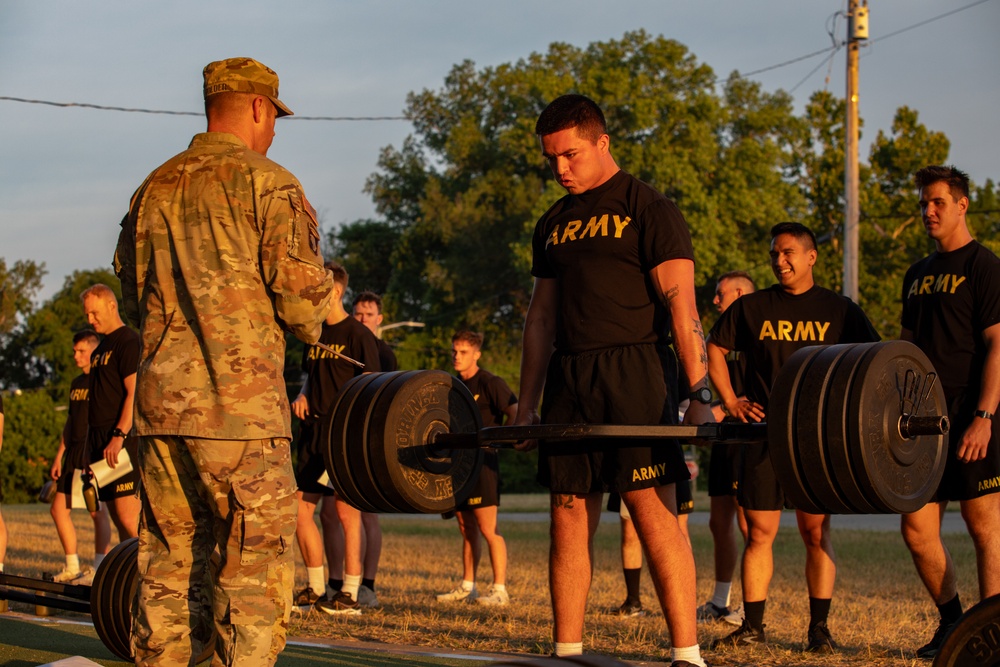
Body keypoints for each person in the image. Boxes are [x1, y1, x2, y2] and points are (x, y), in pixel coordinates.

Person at [114, 57, 334, 666]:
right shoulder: (270, 184)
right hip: (241, 420)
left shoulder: (152, 187)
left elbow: (132, 302)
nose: (272, 133)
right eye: (273, 119)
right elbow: (303, 310)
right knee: (251, 586)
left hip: (161, 417)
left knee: (167, 572)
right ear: (259, 108)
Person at [513, 94, 713, 667]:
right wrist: (526, 405)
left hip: (635, 370)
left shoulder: (649, 208)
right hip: (569, 377)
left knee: (652, 510)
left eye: (571, 155)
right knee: (569, 510)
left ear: (602, 142)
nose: (560, 169)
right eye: (551, 159)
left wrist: (700, 396)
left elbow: (683, 309)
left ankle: (687, 654)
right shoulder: (552, 222)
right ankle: (567, 652)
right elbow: (541, 319)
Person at [707, 222, 880, 653]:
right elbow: (713, 347)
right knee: (759, 535)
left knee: (816, 535)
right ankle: (753, 628)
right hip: (764, 435)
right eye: (773, 255)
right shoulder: (753, 306)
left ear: (810, 257)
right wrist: (731, 401)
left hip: (815, 441)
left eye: (787, 253)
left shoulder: (840, 310)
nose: (779, 261)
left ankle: (818, 631)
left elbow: (874, 361)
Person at [898, 165, 1000, 659]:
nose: (928, 211)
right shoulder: (916, 275)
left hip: (972, 412)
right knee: (916, 529)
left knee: (984, 526)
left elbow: (998, 344)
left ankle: (995, 632)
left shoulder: (985, 265)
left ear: (962, 204)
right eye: (922, 204)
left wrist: (984, 416)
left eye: (937, 202)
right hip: (921, 417)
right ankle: (955, 623)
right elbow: (906, 349)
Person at [291, 262, 381, 616]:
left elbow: (373, 387)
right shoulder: (312, 334)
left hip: (343, 436)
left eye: (316, 288)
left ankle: (350, 594)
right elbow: (311, 377)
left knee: (346, 510)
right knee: (300, 511)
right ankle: (315, 588)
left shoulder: (359, 336)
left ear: (335, 292)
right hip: (313, 435)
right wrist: (303, 394)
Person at [436, 330, 517, 606]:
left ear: (476, 354)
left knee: (487, 528)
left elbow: (514, 410)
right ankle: (467, 586)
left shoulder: (491, 382)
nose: (457, 357)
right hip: (457, 465)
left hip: (483, 463)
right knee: (465, 527)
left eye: (463, 352)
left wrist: (504, 439)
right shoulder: (452, 386)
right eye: (454, 351)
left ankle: (500, 590)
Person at [697, 271, 755, 626]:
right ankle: (721, 602)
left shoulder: (755, 338)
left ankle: (751, 608)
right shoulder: (716, 341)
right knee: (719, 522)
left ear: (739, 294)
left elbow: (753, 395)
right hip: (723, 440)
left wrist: (724, 409)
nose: (715, 301)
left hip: (748, 440)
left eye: (720, 295)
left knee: (752, 525)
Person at [49, 329, 112, 584]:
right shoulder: (76, 384)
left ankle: (99, 568)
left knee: (97, 511)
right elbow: (71, 420)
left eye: (81, 351)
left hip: (93, 452)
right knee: (57, 510)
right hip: (72, 453)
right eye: (75, 350)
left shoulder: (102, 380)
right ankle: (72, 566)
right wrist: (58, 456)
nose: (76, 355)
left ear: (94, 351)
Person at [80, 284, 141, 542]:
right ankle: (127, 581)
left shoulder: (129, 341)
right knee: (118, 519)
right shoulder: (99, 351)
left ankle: (149, 580)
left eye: (94, 313)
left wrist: (119, 436)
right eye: (87, 315)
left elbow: (134, 392)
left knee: (129, 518)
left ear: (111, 305)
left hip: (121, 442)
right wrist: (87, 449)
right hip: (100, 443)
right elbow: (95, 404)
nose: (90, 320)